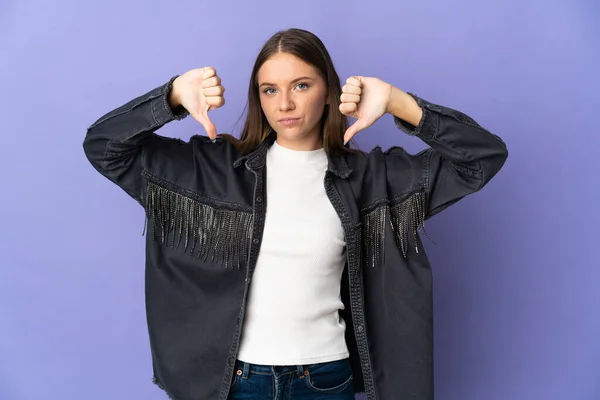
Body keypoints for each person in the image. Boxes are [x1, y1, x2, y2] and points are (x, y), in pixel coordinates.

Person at [83, 28, 508, 400]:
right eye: (270, 90)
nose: (285, 103)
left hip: (324, 380)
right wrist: (172, 95)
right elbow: (104, 147)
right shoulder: (209, 171)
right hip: (231, 384)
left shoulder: (372, 179)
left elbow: (481, 158)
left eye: (301, 85)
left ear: (328, 91)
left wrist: (399, 102)